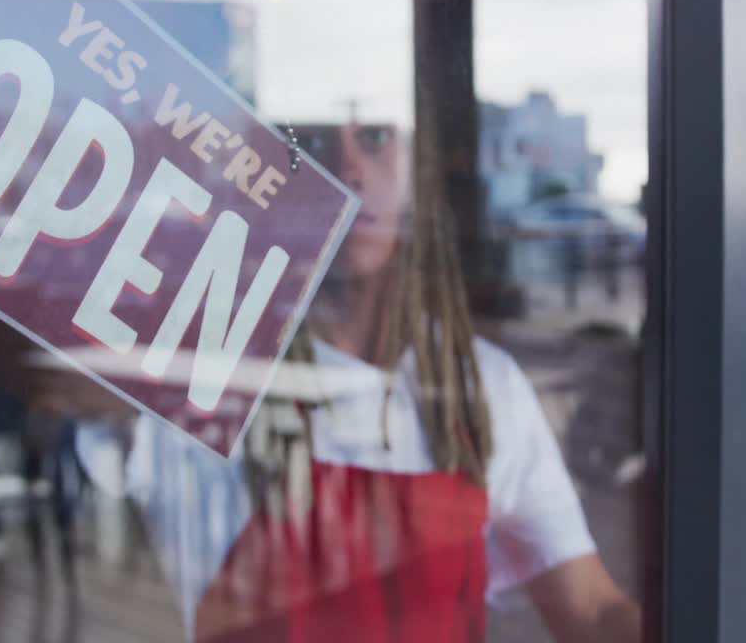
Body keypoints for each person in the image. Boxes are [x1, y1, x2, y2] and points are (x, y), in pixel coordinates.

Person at [44, 122, 641, 642]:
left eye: (375, 138)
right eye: (317, 142)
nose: (349, 168)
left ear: (414, 175)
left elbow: (590, 609)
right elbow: (54, 381)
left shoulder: (480, 385)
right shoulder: (210, 368)